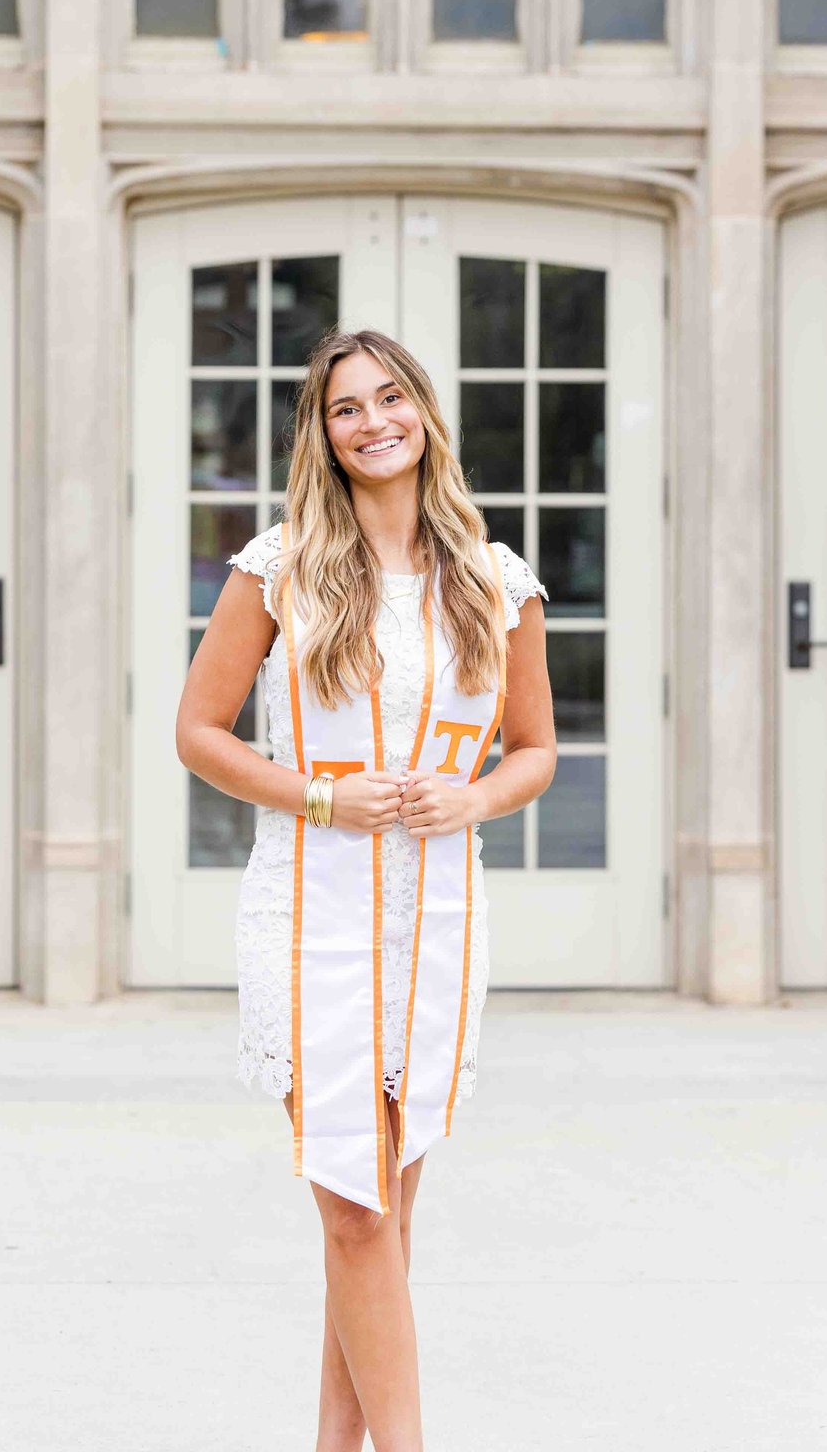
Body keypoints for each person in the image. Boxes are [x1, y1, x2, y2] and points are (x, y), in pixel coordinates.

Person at [177, 327, 556, 1452]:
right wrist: (319, 797)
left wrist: (473, 798)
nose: (373, 420)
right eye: (346, 407)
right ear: (323, 434)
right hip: (309, 912)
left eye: (391, 398)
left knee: (383, 1216)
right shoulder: (279, 568)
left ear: (424, 413)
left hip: (436, 920)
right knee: (353, 1206)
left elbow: (535, 750)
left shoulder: (494, 578)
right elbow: (199, 731)